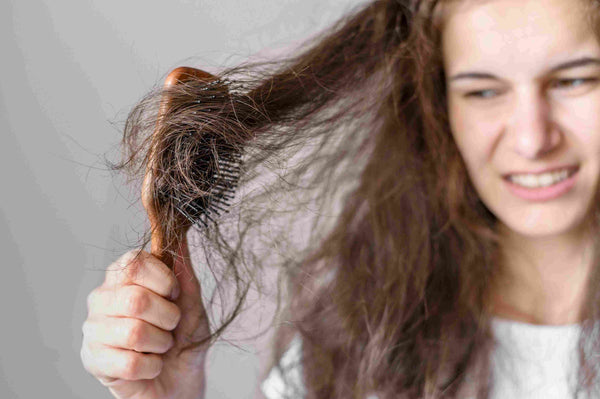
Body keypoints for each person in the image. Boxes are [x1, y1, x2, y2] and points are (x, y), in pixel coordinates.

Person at [80, 0, 600, 397]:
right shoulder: (353, 340)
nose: (533, 140)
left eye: (574, 80)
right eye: (482, 91)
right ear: (439, 108)